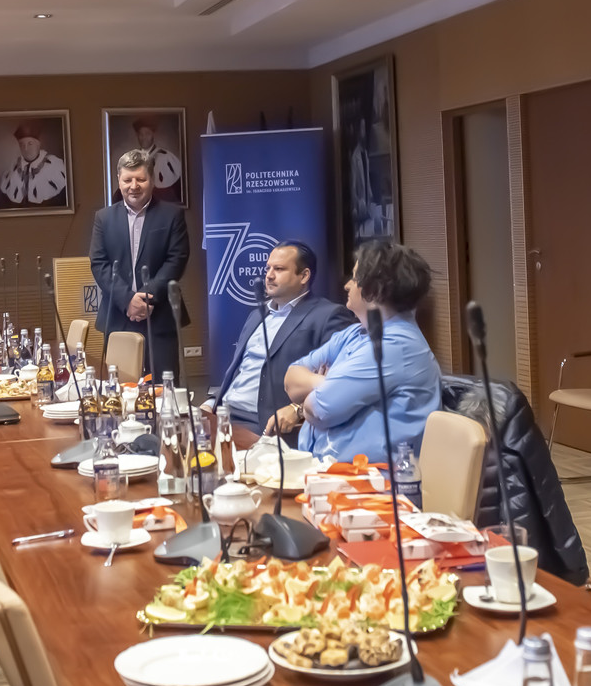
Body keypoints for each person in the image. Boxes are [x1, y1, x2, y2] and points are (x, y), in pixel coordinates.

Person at [274, 238, 441, 463]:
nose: (347, 285)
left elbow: (318, 410)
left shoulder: (395, 346)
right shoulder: (354, 333)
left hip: (369, 478)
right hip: (321, 468)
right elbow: (291, 379)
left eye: (354, 278)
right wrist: (328, 383)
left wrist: (321, 387)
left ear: (374, 290)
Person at [205, 242, 356, 433]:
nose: (269, 275)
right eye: (268, 268)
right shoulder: (257, 315)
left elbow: (339, 379)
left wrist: (298, 409)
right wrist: (211, 402)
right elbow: (241, 370)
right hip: (222, 412)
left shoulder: (328, 315)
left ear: (304, 276)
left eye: (279, 269)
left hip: (262, 421)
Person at [89, 148, 190, 378]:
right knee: (119, 389)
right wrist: (127, 300)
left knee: (164, 390)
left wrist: (145, 298)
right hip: (118, 317)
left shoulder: (172, 215)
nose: (133, 186)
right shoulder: (104, 218)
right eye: (127, 180)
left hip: (159, 316)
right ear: (118, 180)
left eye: (140, 179)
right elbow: (99, 263)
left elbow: (177, 259)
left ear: (151, 180)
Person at [0, 121, 68, 209]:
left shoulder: (55, 166)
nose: (26, 149)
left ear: (38, 145)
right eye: (22, 145)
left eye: (30, 143)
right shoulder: (12, 169)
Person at [130, 116, 182, 205]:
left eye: (147, 133)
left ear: (153, 134)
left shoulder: (166, 157)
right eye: (140, 134)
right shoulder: (131, 158)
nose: (143, 137)